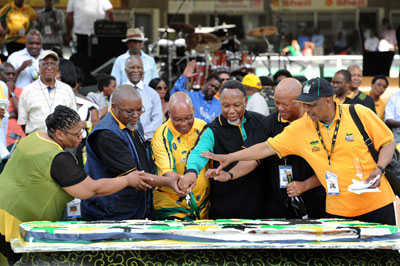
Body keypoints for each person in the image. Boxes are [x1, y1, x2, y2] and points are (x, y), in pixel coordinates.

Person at [203, 77, 396, 225]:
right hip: (339, 209)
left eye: (311, 105)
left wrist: (379, 169)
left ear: (329, 101)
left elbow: (387, 143)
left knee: (384, 255)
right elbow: (265, 148)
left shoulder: (359, 113)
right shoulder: (301, 127)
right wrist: (230, 157)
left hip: (377, 202)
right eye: (304, 103)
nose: (306, 109)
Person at [0, 105, 158, 265]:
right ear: (59, 134)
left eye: (82, 131)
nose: (81, 138)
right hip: (15, 222)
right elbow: (91, 190)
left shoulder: (34, 137)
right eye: (76, 134)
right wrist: (127, 180)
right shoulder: (59, 159)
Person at [205, 78, 326, 219]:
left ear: (300, 102)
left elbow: (332, 165)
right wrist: (230, 174)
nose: (280, 108)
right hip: (278, 202)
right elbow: (255, 155)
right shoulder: (269, 123)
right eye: (276, 103)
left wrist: (305, 185)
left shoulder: (316, 123)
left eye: (285, 104)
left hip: (315, 199)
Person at [81, 85, 183, 221]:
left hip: (135, 206)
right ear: (114, 107)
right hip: (111, 212)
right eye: (129, 112)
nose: (135, 116)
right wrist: (169, 181)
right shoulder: (106, 134)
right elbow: (136, 177)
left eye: (139, 110)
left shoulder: (133, 122)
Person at [178, 80, 266, 219]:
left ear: (245, 101)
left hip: (262, 200)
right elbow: (199, 152)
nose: (231, 111)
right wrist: (191, 172)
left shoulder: (260, 122)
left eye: (237, 105)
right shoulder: (213, 129)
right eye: (225, 106)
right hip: (228, 202)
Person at [151, 92, 210, 220]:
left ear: (193, 110)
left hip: (203, 208)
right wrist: (186, 180)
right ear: (169, 114)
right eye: (177, 120)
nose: (183, 124)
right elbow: (167, 173)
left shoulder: (203, 127)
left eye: (188, 118)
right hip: (173, 208)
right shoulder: (161, 137)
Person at [18, 50, 76, 134]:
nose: (49, 67)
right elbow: (23, 122)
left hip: (61, 142)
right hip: (36, 141)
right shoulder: (28, 90)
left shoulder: (67, 89)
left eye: (53, 64)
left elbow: (73, 117)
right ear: (39, 67)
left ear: (57, 67)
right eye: (45, 64)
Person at [123, 55, 162, 140]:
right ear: (126, 71)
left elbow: (157, 120)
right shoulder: (118, 94)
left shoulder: (153, 94)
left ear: (143, 70)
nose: (136, 70)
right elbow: (113, 118)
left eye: (139, 67)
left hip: (147, 141)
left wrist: (143, 134)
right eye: (132, 67)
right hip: (124, 141)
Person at [0, 62, 25, 146]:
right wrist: (12, 114)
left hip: (20, 138)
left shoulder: (20, 91)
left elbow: (21, 114)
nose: (11, 77)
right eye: (7, 74)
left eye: (13, 74)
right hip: (4, 137)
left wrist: (11, 92)